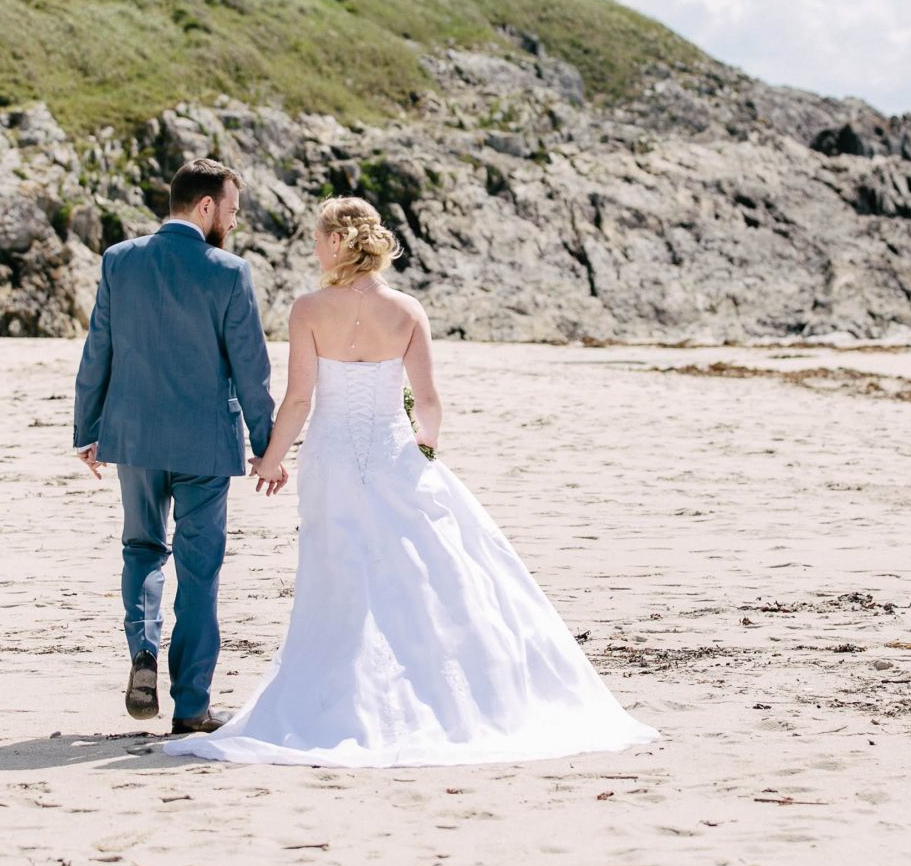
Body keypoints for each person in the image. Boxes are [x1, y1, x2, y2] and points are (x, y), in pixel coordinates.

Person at [163, 196, 658, 765]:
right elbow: (428, 401)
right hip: (392, 452)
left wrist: (272, 457)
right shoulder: (407, 310)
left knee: (337, 573)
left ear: (335, 243)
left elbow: (299, 398)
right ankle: (437, 688)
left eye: (318, 237)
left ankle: (342, 691)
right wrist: (424, 446)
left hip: (330, 458)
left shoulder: (307, 309)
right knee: (419, 572)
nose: (314, 246)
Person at [72, 158, 280, 734]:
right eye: (232, 211)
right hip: (206, 444)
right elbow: (251, 370)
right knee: (200, 570)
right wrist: (267, 446)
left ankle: (144, 653)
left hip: (133, 436)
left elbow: (99, 351)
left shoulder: (120, 260)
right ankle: (191, 707)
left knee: (141, 548)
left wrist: (88, 430)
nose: (234, 223)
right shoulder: (228, 272)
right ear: (206, 206)